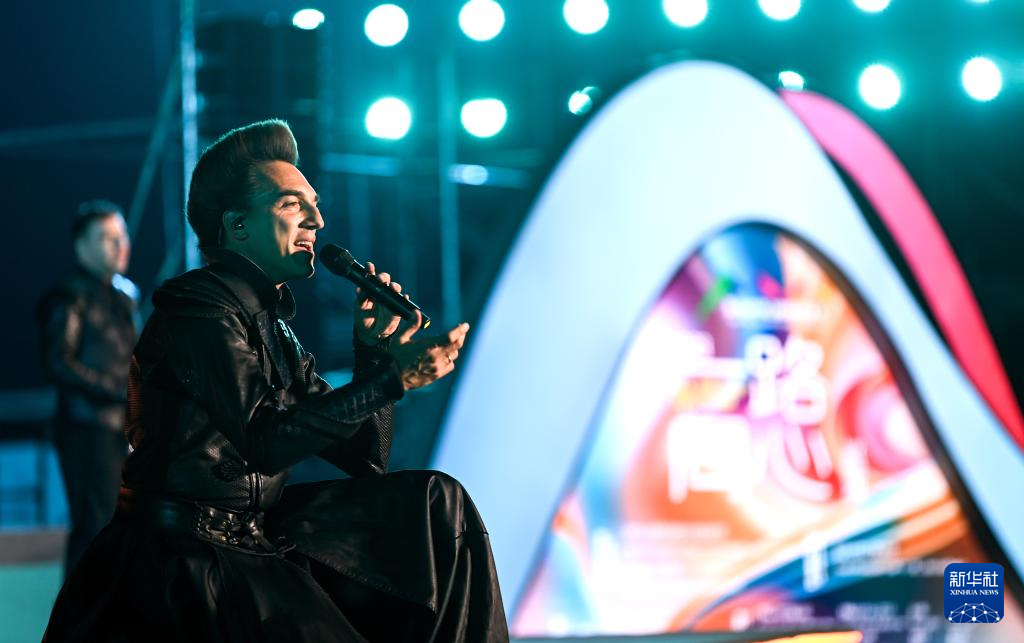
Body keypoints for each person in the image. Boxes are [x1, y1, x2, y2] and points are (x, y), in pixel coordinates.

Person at [43, 120, 509, 642]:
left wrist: (374, 356)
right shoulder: (198, 309)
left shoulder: (275, 328)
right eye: (292, 204)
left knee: (438, 504)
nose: (317, 220)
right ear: (238, 225)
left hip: (251, 537)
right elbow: (264, 440)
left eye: (315, 205)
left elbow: (366, 456)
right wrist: (392, 381)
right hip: (184, 557)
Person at [36, 200, 138, 577]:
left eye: (121, 235)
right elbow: (58, 362)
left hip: (122, 429)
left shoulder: (127, 295)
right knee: (96, 526)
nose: (119, 245)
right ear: (81, 246)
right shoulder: (68, 295)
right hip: (86, 428)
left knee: (125, 528)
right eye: (106, 238)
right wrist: (117, 390)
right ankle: (78, 610)